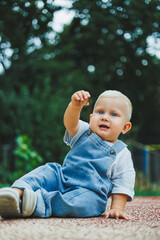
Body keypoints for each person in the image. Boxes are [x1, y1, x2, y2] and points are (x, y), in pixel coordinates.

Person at [0, 90, 135, 220]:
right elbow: (70, 123)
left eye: (113, 114)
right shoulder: (84, 131)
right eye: (100, 112)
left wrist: (117, 208)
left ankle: (35, 202)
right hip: (63, 177)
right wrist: (75, 106)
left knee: (86, 204)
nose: (105, 117)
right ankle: (16, 192)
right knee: (47, 171)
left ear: (125, 127)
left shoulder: (122, 154)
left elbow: (122, 183)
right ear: (91, 117)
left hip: (89, 191)